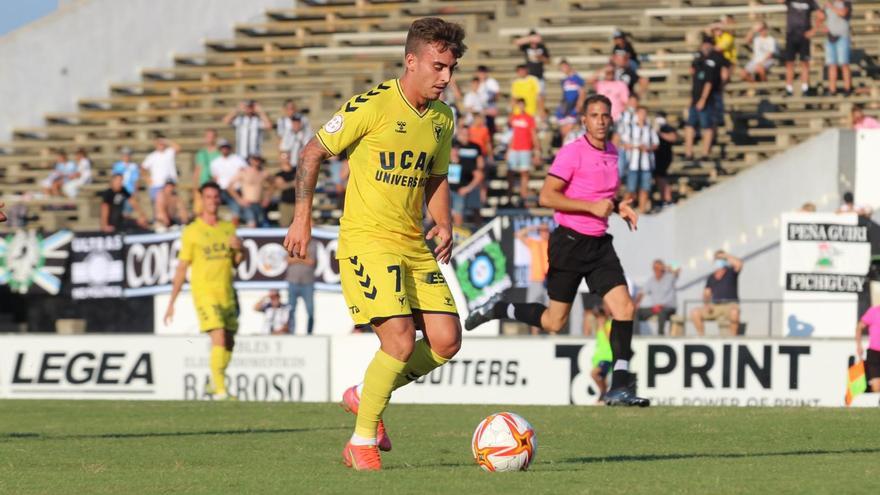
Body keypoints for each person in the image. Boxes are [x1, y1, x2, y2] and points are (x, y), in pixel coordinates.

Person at [282, 17, 466, 471]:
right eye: (439, 67)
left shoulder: (443, 118)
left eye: (452, 69)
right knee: (400, 341)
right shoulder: (374, 105)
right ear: (411, 61)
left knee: (446, 341)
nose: (446, 78)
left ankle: (366, 395)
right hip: (367, 241)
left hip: (412, 243)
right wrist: (301, 218)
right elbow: (312, 151)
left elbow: (436, 175)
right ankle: (361, 440)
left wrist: (442, 222)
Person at [465, 94, 648, 407]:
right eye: (594, 115)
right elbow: (547, 197)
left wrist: (619, 207)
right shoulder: (572, 153)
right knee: (553, 322)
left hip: (599, 244)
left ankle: (619, 386)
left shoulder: (614, 152)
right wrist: (592, 207)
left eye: (605, 115)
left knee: (625, 308)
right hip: (569, 244)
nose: (601, 121)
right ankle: (499, 308)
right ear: (584, 120)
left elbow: (603, 195)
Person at [164, 181, 244, 400]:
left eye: (216, 197)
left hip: (227, 292)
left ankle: (213, 382)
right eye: (208, 197)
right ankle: (220, 391)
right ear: (201, 199)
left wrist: (241, 249)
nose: (213, 201)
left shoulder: (228, 228)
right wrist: (171, 302)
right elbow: (182, 267)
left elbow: (236, 262)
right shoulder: (192, 231)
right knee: (218, 335)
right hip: (205, 293)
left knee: (229, 341)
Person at [684, 37, 722, 165]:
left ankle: (705, 153)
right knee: (689, 125)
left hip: (705, 101)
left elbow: (708, 83)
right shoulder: (698, 61)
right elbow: (694, 81)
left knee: (707, 126)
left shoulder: (711, 63)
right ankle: (688, 152)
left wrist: (703, 99)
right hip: (695, 99)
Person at [690, 250, 743, 336]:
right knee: (695, 312)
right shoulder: (711, 277)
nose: (719, 260)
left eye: (721, 259)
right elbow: (706, 293)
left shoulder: (731, 272)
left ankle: (733, 338)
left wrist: (725, 255)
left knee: (734, 313)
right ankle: (701, 336)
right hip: (715, 306)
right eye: (717, 259)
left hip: (730, 305)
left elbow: (739, 264)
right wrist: (707, 305)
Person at [782, 0, 824, 96]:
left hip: (804, 36)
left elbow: (821, 15)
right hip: (791, 35)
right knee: (789, 63)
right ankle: (789, 88)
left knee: (804, 63)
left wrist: (813, 30)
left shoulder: (810, 2)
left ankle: (805, 87)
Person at [621, 106, 658, 213]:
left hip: (646, 163)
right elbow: (624, 143)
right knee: (630, 189)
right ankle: (624, 210)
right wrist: (637, 147)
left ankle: (642, 210)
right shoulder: (630, 128)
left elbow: (656, 144)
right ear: (637, 115)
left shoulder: (650, 128)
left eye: (644, 113)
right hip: (633, 163)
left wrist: (648, 148)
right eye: (641, 113)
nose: (643, 116)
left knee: (645, 188)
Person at [516, 223, 550, 335]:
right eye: (543, 230)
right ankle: (534, 335)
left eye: (546, 230)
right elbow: (518, 234)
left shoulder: (552, 244)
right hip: (536, 280)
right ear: (539, 232)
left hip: (549, 281)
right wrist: (534, 228)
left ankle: (552, 335)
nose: (545, 232)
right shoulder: (534, 243)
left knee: (550, 310)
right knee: (533, 309)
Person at [507, 98, 541, 203]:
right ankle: (509, 198)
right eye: (519, 105)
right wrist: (508, 149)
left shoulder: (529, 118)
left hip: (525, 148)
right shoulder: (514, 117)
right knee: (510, 173)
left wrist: (537, 149)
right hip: (514, 148)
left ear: (524, 105)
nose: (520, 107)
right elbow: (510, 133)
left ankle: (523, 196)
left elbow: (533, 134)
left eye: (522, 105)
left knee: (524, 173)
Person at [450, 126, 484, 227]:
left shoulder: (474, 147)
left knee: (473, 208)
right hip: (449, 189)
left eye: (467, 134)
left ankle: (477, 229)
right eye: (463, 134)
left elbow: (480, 168)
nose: (465, 136)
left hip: (466, 183)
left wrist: (469, 187)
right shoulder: (453, 144)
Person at [635, 260, 679, 335]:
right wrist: (636, 303)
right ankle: (635, 335)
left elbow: (677, 267)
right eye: (655, 268)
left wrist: (665, 267)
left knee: (661, 312)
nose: (656, 270)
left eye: (658, 268)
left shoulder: (670, 277)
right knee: (636, 312)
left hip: (668, 307)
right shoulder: (651, 280)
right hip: (655, 308)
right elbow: (642, 293)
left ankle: (660, 335)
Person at [210, 139, 247, 225]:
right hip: (222, 190)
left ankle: (236, 222)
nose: (225, 149)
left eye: (226, 147)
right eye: (223, 147)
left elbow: (243, 173)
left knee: (235, 203)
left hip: (236, 189)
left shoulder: (237, 159)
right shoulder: (215, 162)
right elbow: (215, 178)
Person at [286, 238, 317, 335]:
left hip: (307, 282)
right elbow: (287, 260)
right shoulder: (292, 242)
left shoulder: (313, 244)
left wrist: (296, 258)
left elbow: (311, 262)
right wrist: (303, 258)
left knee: (310, 311)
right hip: (293, 281)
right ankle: (291, 332)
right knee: (291, 310)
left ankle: (309, 333)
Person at [229, 155, 270, 228]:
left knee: (260, 225)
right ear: (250, 160)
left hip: (259, 204)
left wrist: (267, 198)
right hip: (248, 204)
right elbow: (229, 186)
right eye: (254, 159)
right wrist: (239, 200)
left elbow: (273, 185)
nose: (256, 162)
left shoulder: (264, 173)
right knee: (252, 223)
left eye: (258, 159)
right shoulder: (244, 172)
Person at [514, 29, 550, 111]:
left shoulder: (542, 47)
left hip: (539, 75)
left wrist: (540, 57)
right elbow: (516, 42)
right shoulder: (526, 46)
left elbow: (548, 61)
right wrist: (529, 39)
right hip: (529, 77)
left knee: (540, 97)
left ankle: (541, 115)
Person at [824, 0, 852, 95]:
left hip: (842, 37)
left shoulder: (846, 2)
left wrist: (831, 6)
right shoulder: (828, 3)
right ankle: (832, 90)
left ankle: (847, 88)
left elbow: (843, 13)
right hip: (830, 37)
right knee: (832, 65)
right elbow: (823, 16)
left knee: (844, 64)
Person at [142, 136, 180, 203]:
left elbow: (178, 148)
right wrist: (147, 179)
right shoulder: (151, 156)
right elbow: (143, 168)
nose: (161, 144)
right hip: (156, 185)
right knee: (157, 208)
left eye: (162, 143)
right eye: (159, 143)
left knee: (171, 206)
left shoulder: (169, 152)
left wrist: (166, 140)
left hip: (169, 185)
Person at [556, 59, 586, 140]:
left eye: (563, 67)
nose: (563, 69)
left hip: (573, 107)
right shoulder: (564, 80)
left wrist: (579, 105)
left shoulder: (576, 78)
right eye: (561, 68)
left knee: (569, 131)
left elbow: (582, 92)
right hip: (566, 107)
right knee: (563, 131)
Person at [653, 112, 677, 208]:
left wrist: (659, 133)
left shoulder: (667, 128)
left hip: (664, 156)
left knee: (661, 177)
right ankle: (664, 198)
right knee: (658, 178)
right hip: (655, 157)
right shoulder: (652, 128)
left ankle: (667, 199)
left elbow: (673, 138)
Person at [856, 304, 880, 392]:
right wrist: (859, 345)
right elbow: (859, 327)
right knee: (876, 384)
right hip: (874, 352)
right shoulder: (873, 311)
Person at [591, 316, 613, 403]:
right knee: (602, 378)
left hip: (607, 356)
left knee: (594, 374)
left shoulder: (608, 325)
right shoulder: (599, 326)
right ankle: (603, 397)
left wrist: (603, 326)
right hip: (599, 357)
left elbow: (610, 339)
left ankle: (603, 393)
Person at [475, 65, 500, 136]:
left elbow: (497, 95)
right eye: (480, 73)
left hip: (489, 110)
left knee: (489, 131)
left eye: (483, 73)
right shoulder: (477, 83)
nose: (481, 75)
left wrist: (489, 100)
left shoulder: (491, 82)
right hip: (479, 110)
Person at [274, 152, 296, 227]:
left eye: (287, 157)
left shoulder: (296, 170)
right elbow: (280, 186)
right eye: (284, 158)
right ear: (280, 159)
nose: (286, 159)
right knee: (285, 224)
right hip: (286, 202)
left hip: (298, 202)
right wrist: (292, 183)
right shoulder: (280, 174)